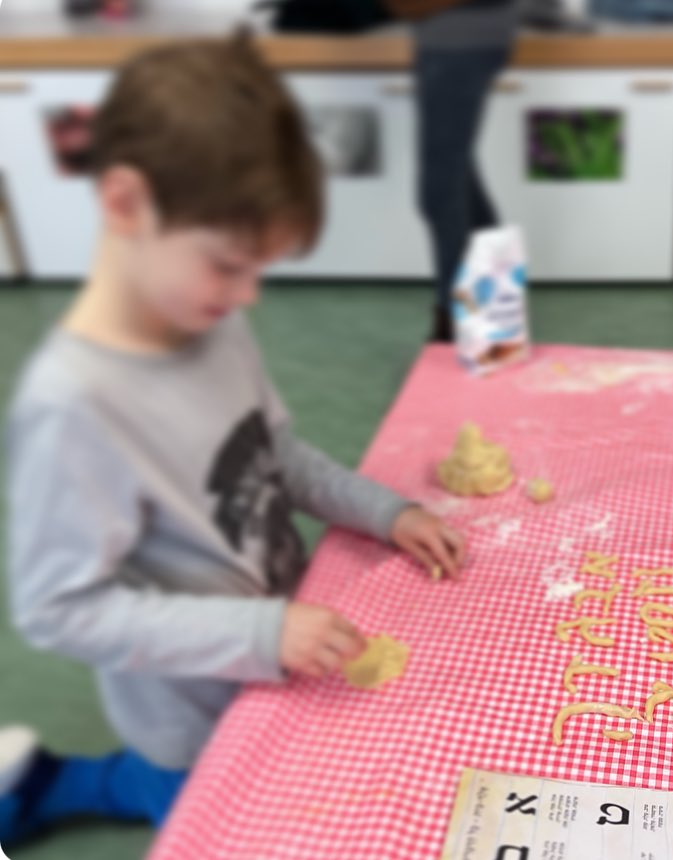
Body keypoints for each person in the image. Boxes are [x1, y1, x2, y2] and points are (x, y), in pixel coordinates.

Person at [0, 34, 465, 843]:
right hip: (191, 706)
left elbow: (274, 456)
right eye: (227, 265)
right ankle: (47, 786)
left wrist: (384, 512)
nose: (247, 294)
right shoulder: (73, 409)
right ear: (124, 203)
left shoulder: (210, 324)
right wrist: (258, 634)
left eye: (260, 270)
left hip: (273, 643)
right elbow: (57, 611)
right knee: (188, 803)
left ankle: (57, 780)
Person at [384, 0, 519, 342]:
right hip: (452, 37)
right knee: (458, 177)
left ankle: (457, 324)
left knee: (440, 192)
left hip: (460, 40)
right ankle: (494, 313)